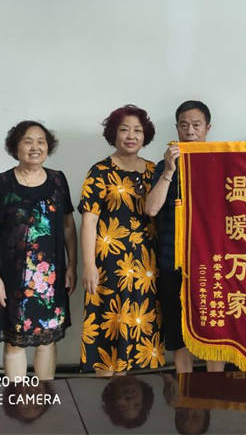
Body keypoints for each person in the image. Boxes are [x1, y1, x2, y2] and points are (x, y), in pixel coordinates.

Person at [0, 120, 77, 380]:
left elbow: (69, 226)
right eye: (28, 141)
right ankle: (16, 398)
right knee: (15, 343)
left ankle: (46, 396)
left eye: (41, 141)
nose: (35, 147)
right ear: (15, 147)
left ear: (48, 147)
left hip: (51, 279)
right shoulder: (1, 184)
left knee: (47, 342)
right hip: (12, 280)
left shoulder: (58, 180)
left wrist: (73, 266)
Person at [79, 104, 164, 375]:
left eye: (137, 130)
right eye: (124, 130)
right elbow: (89, 221)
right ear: (113, 134)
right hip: (109, 267)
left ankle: (135, 395)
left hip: (146, 267)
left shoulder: (154, 171)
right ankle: (105, 394)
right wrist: (88, 265)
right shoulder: (100, 171)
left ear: (145, 135)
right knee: (108, 332)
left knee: (140, 334)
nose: (131, 136)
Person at [145, 100, 225, 374]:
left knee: (215, 336)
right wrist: (169, 170)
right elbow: (151, 209)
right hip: (174, 262)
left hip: (214, 266)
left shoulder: (223, 163)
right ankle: (185, 392)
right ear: (177, 128)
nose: (190, 131)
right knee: (179, 337)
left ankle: (215, 392)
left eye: (196, 125)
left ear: (208, 128)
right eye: (184, 125)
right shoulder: (164, 166)